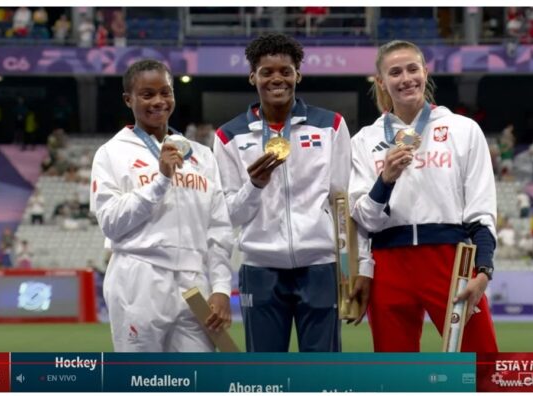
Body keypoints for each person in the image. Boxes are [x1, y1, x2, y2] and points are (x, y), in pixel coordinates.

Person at [349, 40, 498, 352]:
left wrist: (483, 270)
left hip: (450, 260)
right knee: (397, 376)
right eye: (395, 72)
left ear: (425, 72)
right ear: (381, 81)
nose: (406, 78)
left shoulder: (462, 129)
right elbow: (364, 217)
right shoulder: (364, 140)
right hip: (388, 264)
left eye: (412, 69)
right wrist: (385, 180)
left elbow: (481, 209)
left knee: (481, 366)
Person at [213, 34, 352, 352]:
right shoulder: (228, 136)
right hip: (259, 269)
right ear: (253, 77)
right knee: (264, 373)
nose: (277, 79)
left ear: (297, 75)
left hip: (320, 265)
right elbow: (228, 216)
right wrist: (254, 186)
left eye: (285, 71)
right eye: (267, 72)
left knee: (323, 374)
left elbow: (342, 203)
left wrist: (348, 270)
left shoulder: (330, 126)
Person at [90, 59, 233, 352]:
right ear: (128, 99)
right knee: (141, 380)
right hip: (139, 278)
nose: (158, 101)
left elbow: (218, 228)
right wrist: (160, 181)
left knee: (197, 382)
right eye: (147, 94)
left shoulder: (201, 156)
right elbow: (111, 222)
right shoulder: (112, 154)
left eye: (165, 92)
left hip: (195, 284)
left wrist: (220, 288)